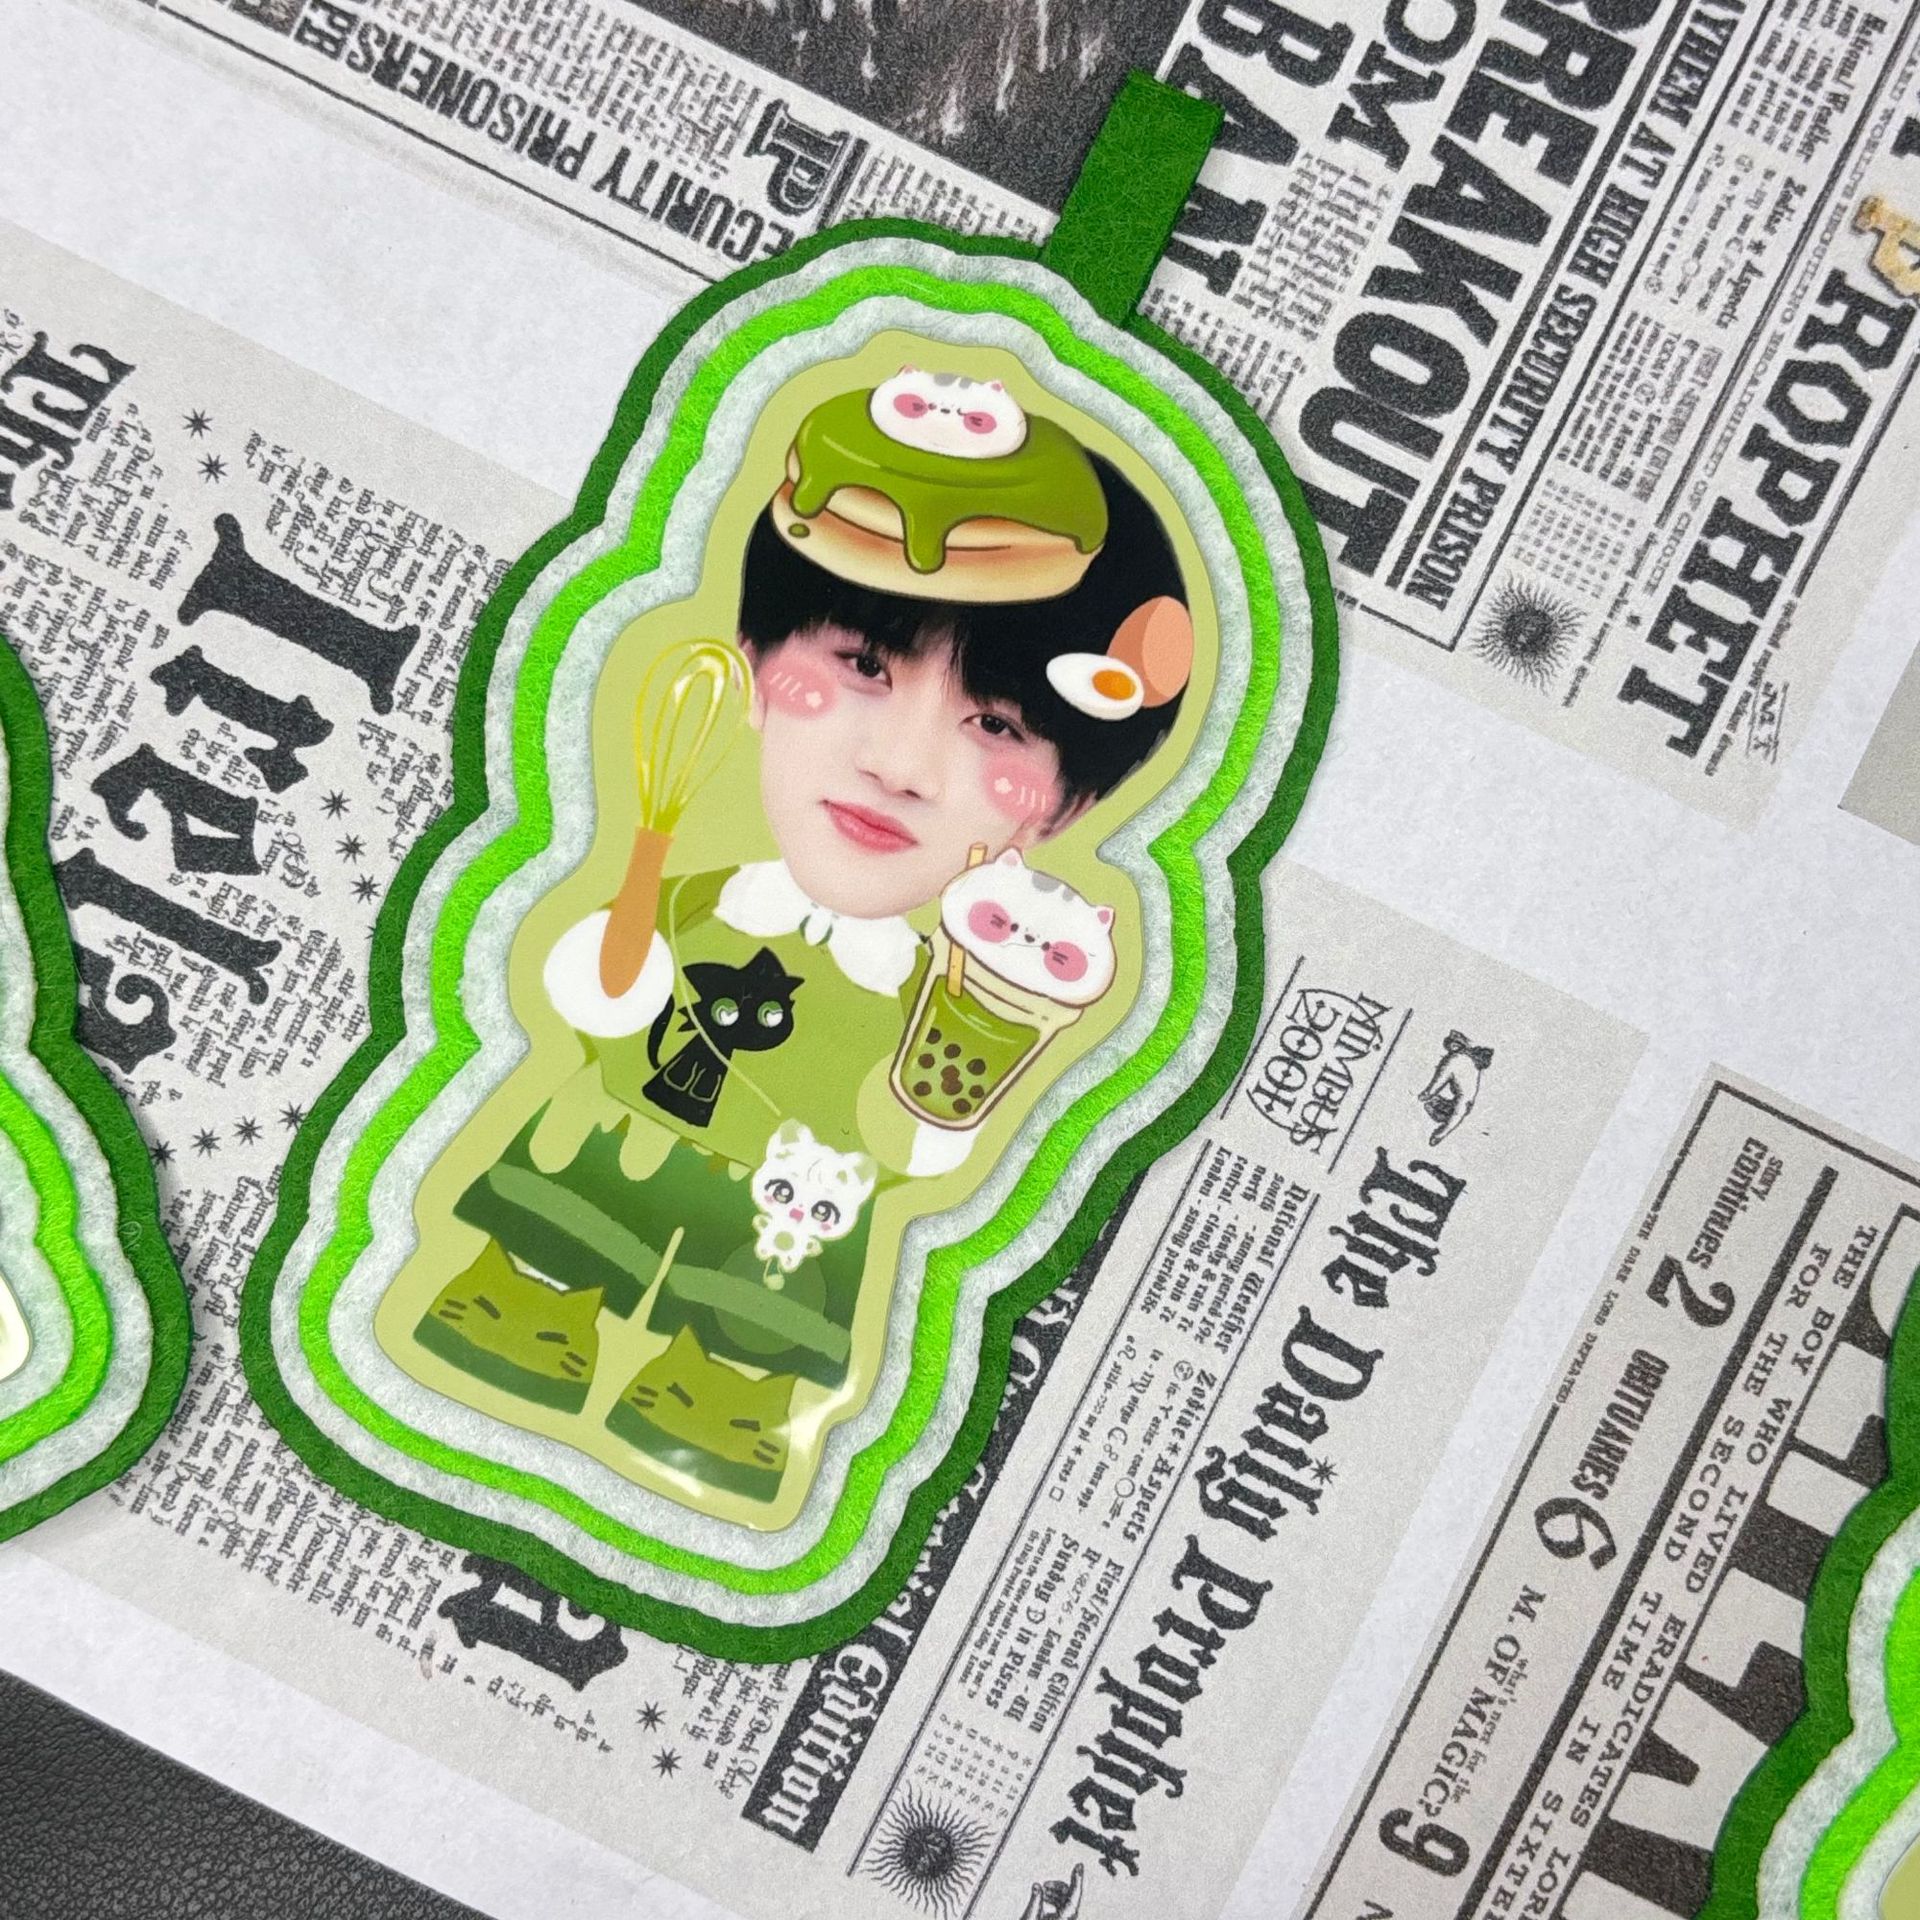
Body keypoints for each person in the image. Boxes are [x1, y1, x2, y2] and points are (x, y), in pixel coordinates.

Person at [403, 382, 1194, 1509]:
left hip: (786, 1239)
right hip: (604, 1155)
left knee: (733, 1374)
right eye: (865, 664)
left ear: (1064, 808)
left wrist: (954, 1087)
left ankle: (716, 1407)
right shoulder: (705, 900)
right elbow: (596, 999)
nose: (899, 765)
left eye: (996, 725)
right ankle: (519, 1313)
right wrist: (619, 949)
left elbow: (912, 1144)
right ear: (753, 667)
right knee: (530, 1281)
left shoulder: (945, 998)